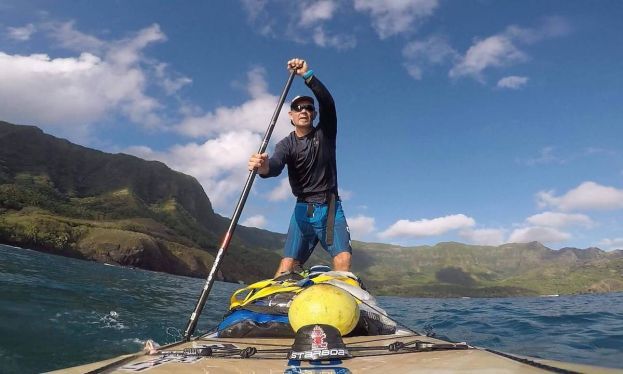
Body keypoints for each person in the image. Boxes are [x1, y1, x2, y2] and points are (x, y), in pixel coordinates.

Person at [248, 58, 352, 277]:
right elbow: (274, 165)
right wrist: (264, 166)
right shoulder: (286, 144)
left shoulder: (325, 133)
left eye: (308, 107)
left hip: (329, 206)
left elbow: (328, 104)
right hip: (302, 210)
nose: (303, 111)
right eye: (298, 108)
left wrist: (307, 76)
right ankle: (273, 299)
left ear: (313, 114)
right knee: (287, 264)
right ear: (291, 115)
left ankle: (340, 299)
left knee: (342, 258)